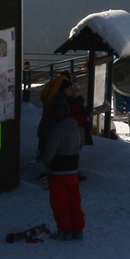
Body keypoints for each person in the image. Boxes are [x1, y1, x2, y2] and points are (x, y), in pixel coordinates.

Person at [38, 99, 85, 240]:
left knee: (60, 203)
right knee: (74, 201)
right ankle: (78, 230)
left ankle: (65, 230)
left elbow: (49, 154)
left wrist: (45, 161)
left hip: (59, 172)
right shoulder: (75, 128)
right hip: (73, 171)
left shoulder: (57, 131)